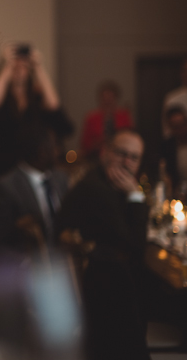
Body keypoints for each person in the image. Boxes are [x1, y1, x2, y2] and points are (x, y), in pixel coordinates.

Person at [55, 130, 149, 360]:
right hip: (104, 305)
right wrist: (136, 195)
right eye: (121, 154)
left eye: (134, 157)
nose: (127, 163)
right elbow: (137, 246)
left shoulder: (100, 181)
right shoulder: (97, 190)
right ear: (105, 152)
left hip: (102, 289)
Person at [0, 44, 73, 179]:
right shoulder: (3, 98)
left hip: (35, 161)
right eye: (15, 67)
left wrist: (38, 66)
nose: (19, 70)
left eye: (23, 67)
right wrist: (6, 65)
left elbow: (54, 105)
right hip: (5, 162)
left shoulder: (36, 96)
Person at [0, 124, 69, 260]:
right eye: (54, 146)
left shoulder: (60, 178)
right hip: (27, 266)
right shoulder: (7, 187)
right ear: (42, 151)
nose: (58, 151)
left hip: (65, 259)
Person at [79, 80, 133, 160]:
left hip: (120, 157)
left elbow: (131, 139)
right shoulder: (92, 118)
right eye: (105, 99)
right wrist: (97, 142)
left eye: (110, 99)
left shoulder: (124, 116)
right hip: (96, 157)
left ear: (116, 99)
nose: (108, 102)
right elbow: (84, 144)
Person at [161, 106, 187, 202]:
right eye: (176, 127)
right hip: (179, 196)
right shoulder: (167, 147)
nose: (181, 129)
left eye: (183, 124)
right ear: (171, 128)